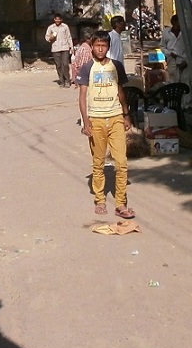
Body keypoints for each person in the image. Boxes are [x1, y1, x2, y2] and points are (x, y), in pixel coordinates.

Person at [76, 30, 135, 219]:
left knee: (122, 162)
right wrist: (86, 121)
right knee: (98, 162)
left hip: (116, 117)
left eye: (104, 46)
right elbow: (82, 96)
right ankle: (100, 199)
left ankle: (121, 203)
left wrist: (126, 115)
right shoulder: (87, 68)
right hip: (96, 120)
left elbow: (121, 91)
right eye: (97, 46)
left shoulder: (116, 66)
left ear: (108, 47)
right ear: (92, 47)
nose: (100, 49)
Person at [162, 14, 191, 107]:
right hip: (172, 59)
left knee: (186, 82)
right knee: (173, 81)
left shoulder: (186, 32)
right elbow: (162, 47)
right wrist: (170, 53)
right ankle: (173, 104)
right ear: (173, 23)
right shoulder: (166, 32)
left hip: (185, 60)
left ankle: (185, 105)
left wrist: (187, 60)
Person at [45, 14, 74, 87]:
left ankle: (67, 80)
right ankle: (61, 81)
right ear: (54, 19)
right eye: (56, 19)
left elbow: (69, 37)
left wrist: (71, 47)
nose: (57, 20)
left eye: (59, 19)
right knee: (58, 65)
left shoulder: (65, 26)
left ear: (61, 20)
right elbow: (47, 37)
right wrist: (51, 37)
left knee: (65, 64)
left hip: (65, 48)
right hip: (55, 49)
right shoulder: (51, 27)